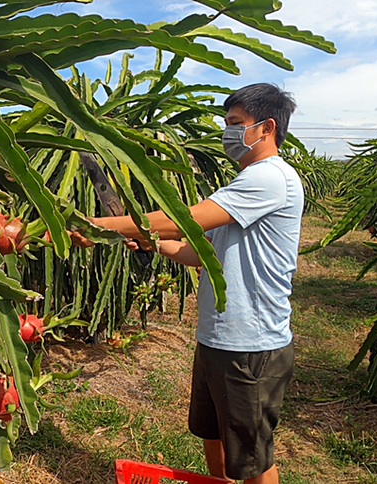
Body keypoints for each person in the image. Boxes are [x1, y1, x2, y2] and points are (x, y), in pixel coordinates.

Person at [72, 83, 302, 484]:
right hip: (219, 336)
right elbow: (201, 252)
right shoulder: (244, 183)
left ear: (266, 128)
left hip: (251, 345)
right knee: (213, 436)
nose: (228, 133)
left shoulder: (270, 179)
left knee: (253, 457)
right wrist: (153, 242)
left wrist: (97, 226)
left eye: (236, 123)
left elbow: (186, 220)